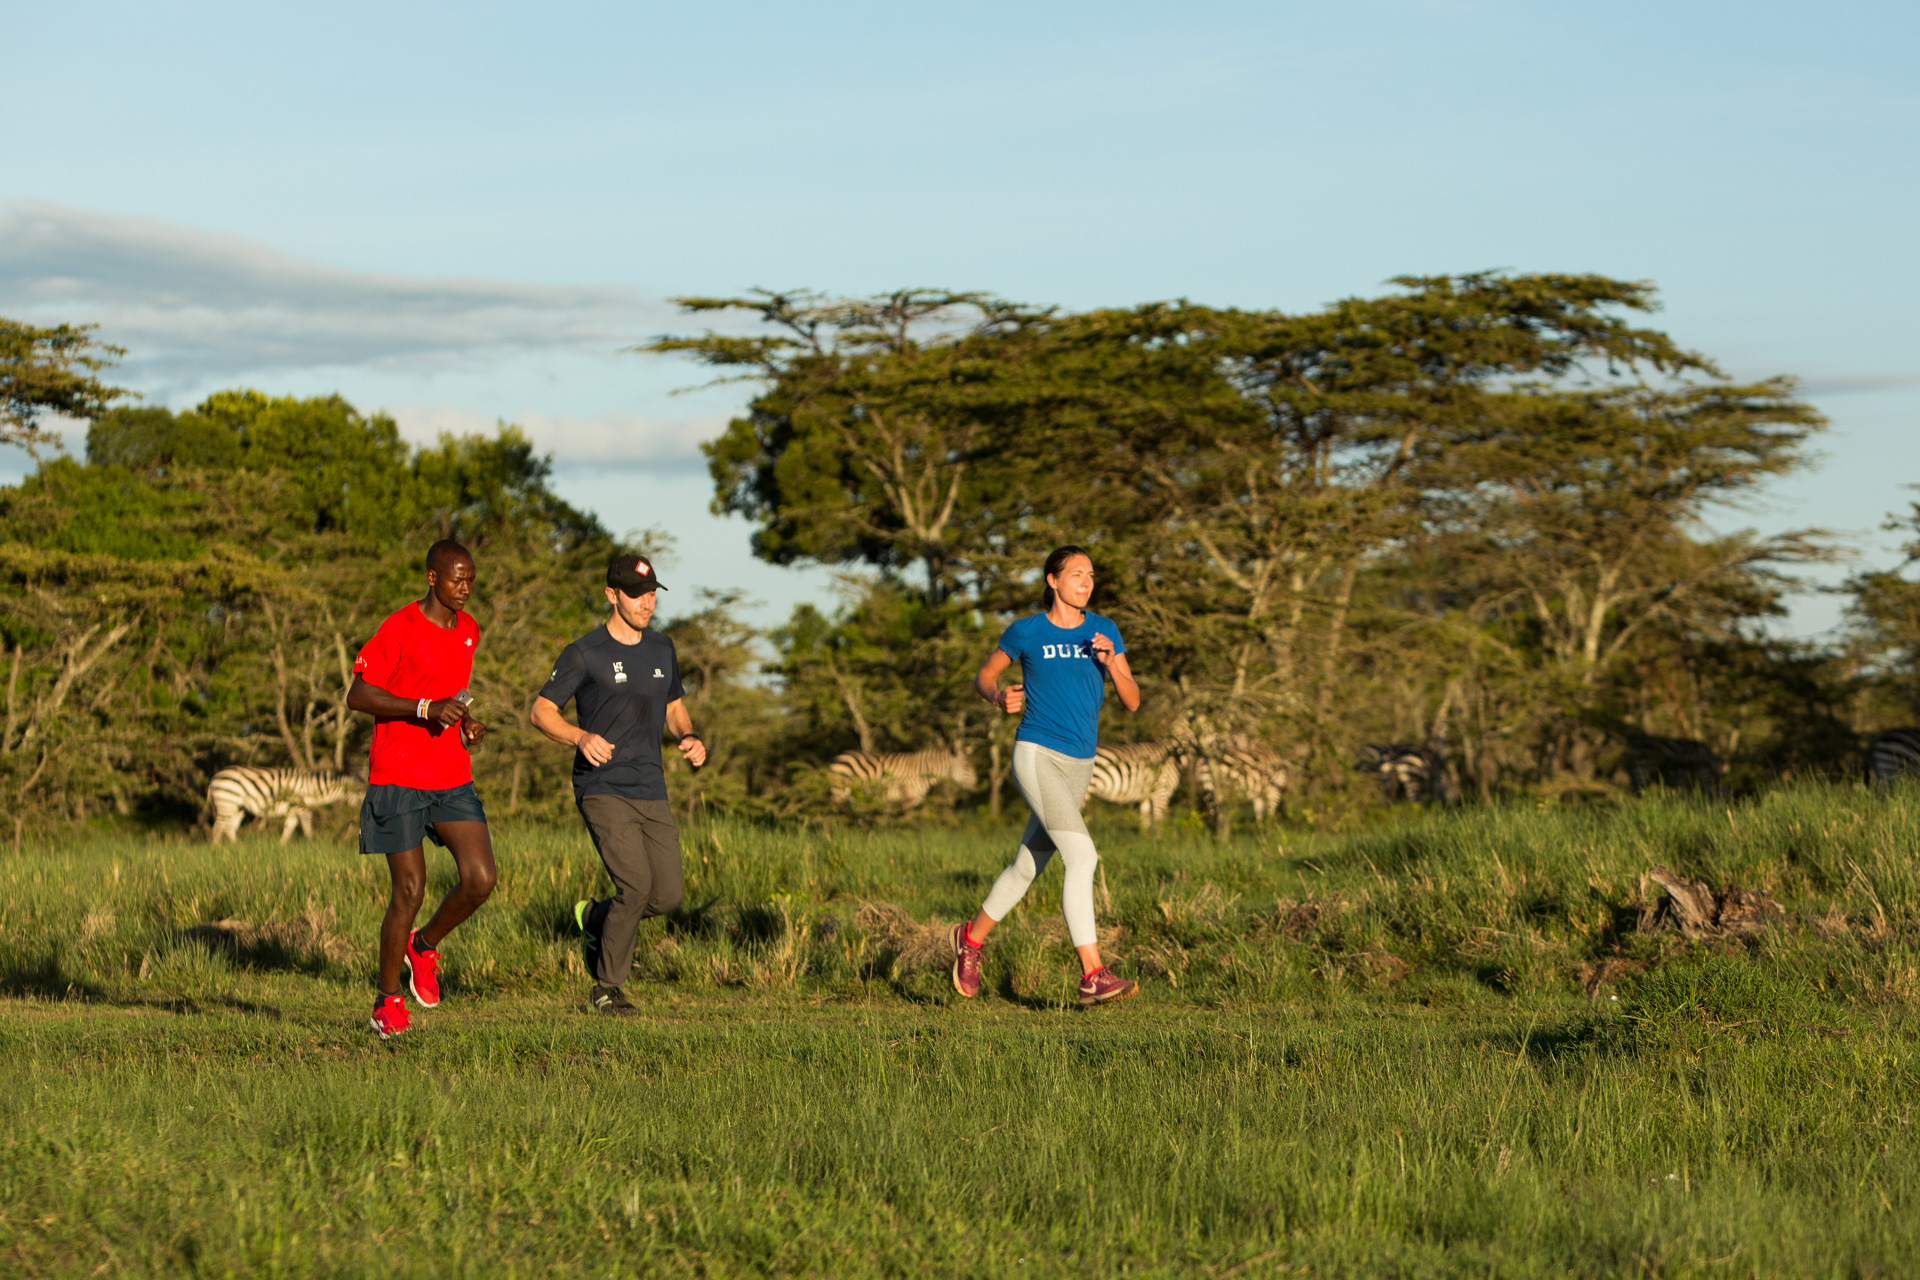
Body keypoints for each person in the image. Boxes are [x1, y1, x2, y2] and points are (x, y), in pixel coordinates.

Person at [952, 545, 1141, 1006]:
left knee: (1027, 867)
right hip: (1037, 755)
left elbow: (1133, 700)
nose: (1086, 581)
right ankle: (1093, 974)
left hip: (1080, 764)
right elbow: (984, 675)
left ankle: (969, 941)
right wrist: (997, 697)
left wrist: (1112, 661)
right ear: (1053, 580)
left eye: (1091, 575)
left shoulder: (1104, 630)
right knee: (1082, 857)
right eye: (1076, 574)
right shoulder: (1027, 631)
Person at [530, 553, 707, 1016]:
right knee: (635, 884)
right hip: (602, 786)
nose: (646, 603)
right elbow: (541, 711)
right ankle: (606, 988)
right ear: (612, 595)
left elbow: (673, 706)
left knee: (666, 895)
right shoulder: (584, 652)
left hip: (651, 785)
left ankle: (595, 917)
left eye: (651, 594)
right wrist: (580, 736)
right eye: (636, 595)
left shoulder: (662, 648)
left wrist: (688, 736)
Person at [346, 539, 494, 1040]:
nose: (465, 588)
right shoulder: (400, 627)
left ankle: (424, 945)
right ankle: (386, 1002)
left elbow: (453, 693)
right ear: (432, 578)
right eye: (457, 578)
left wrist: (466, 720)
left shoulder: (469, 630)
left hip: (450, 774)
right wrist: (423, 709)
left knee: (480, 878)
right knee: (408, 889)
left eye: (471, 579)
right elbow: (358, 694)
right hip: (398, 775)